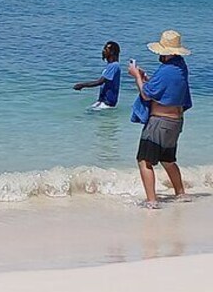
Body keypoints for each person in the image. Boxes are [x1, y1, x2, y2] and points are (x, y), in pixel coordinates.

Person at [128, 30, 192, 208]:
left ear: (169, 53)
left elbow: (147, 95)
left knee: (144, 160)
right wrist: (145, 78)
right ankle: (180, 193)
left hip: (160, 122)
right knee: (168, 159)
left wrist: (136, 76)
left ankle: (152, 201)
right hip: (175, 122)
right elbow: (165, 89)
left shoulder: (167, 70)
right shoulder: (180, 67)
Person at [73, 41, 121, 109]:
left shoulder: (114, 66)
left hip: (107, 103)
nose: (103, 51)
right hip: (102, 101)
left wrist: (82, 85)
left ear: (112, 52)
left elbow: (100, 82)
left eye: (106, 49)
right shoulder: (110, 65)